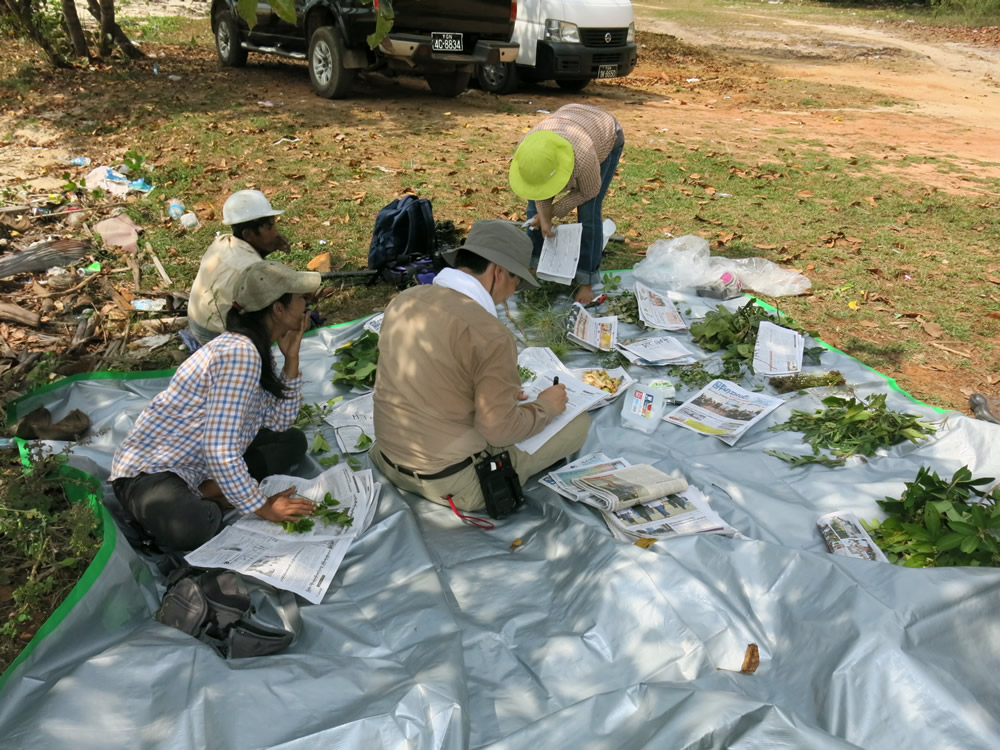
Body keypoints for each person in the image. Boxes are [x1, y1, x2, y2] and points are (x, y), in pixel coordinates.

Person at [370, 219, 591, 513]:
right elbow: (498, 431)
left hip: (386, 456)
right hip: (450, 482)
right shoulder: (491, 334)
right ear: (498, 272)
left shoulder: (404, 300)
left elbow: (441, 378)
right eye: (515, 282)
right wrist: (545, 408)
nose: (512, 293)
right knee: (578, 424)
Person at [110, 260, 322, 551]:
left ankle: (210, 490)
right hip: (152, 473)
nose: (307, 305)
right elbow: (219, 449)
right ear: (278, 309)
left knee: (293, 441)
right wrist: (264, 507)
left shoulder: (257, 349)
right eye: (302, 299)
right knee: (193, 526)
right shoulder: (241, 355)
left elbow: (279, 424)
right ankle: (204, 496)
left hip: (200, 462)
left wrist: (292, 360)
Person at [509, 103, 625, 305]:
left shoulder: (583, 158)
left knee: (589, 212)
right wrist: (543, 218)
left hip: (605, 134)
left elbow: (589, 191)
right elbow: (539, 189)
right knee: (533, 210)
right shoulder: (527, 149)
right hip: (568, 124)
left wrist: (551, 213)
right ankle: (534, 265)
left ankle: (586, 279)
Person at [187, 189, 290, 346]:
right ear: (248, 234)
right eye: (269, 228)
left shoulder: (223, 241)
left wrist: (268, 247)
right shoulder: (251, 270)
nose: (276, 233)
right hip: (214, 335)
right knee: (288, 318)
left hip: (196, 321)